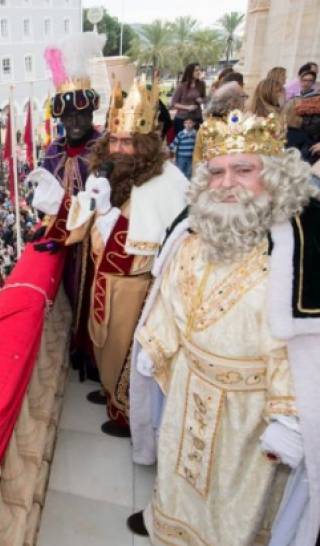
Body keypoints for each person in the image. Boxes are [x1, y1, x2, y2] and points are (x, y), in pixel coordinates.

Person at [128, 109, 320, 545]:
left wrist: (289, 419)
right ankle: (168, 527)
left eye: (243, 169)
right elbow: (172, 298)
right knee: (179, 474)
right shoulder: (196, 232)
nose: (227, 183)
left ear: (273, 175)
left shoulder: (297, 248)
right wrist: (155, 344)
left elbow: (303, 345)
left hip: (251, 414)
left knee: (234, 506)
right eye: (215, 171)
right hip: (188, 388)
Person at [64, 77, 189, 437]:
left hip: (136, 289)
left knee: (126, 353)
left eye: (129, 142)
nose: (119, 149)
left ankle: (128, 416)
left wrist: (107, 217)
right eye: (115, 140)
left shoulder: (164, 182)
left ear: (146, 144)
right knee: (109, 348)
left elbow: (138, 254)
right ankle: (108, 394)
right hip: (109, 282)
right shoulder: (119, 174)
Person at [32, 31, 104, 381]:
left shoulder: (104, 149)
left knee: (97, 303)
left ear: (91, 112)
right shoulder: (52, 152)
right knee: (71, 297)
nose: (74, 124)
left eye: (81, 115)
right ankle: (77, 349)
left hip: (100, 244)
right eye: (68, 118)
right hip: (66, 245)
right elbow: (46, 200)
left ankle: (95, 356)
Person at [192, 81, 249, 165]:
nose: (246, 100)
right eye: (244, 96)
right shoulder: (216, 128)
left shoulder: (209, 124)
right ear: (232, 102)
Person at [171, 63, 206, 134]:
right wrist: (188, 107)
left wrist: (201, 100)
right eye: (196, 70)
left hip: (197, 118)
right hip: (183, 119)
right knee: (183, 143)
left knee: (198, 142)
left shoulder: (202, 84)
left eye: (199, 70)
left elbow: (204, 99)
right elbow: (173, 103)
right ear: (190, 72)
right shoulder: (181, 86)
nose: (199, 72)